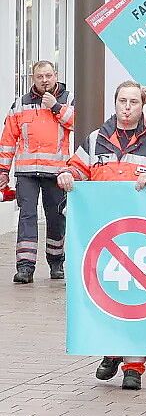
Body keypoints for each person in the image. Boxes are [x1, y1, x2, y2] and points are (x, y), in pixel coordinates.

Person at [57, 81, 146, 391]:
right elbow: (78, 168)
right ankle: (112, 351)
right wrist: (68, 175)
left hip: (143, 238)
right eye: (122, 101)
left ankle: (134, 367)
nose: (127, 107)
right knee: (108, 297)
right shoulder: (96, 140)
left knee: (138, 300)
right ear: (115, 103)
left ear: (142, 106)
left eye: (133, 102)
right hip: (104, 236)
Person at [0, 61, 73, 284]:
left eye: (48, 75)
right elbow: (8, 139)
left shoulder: (68, 100)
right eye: (40, 76)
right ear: (33, 78)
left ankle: (56, 262)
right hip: (27, 172)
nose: (44, 80)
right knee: (27, 217)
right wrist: (3, 170)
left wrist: (56, 108)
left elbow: (80, 125)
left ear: (56, 76)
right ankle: (25, 267)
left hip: (56, 172)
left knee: (56, 218)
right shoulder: (21, 104)